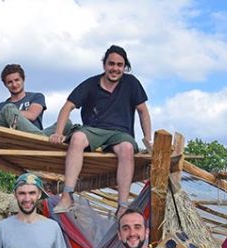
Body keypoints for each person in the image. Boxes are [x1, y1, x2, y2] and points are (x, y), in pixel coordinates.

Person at [49, 45, 152, 216]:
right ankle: (67, 195)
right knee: (77, 138)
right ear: (104, 65)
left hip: (120, 133)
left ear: (124, 67)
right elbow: (67, 107)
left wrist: (148, 139)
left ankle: (123, 205)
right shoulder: (91, 84)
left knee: (127, 149)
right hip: (94, 129)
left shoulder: (131, 83)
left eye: (120, 65)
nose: (115, 68)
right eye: (111, 64)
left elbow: (143, 112)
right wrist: (59, 133)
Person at [0, 64, 72, 136]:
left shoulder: (36, 97)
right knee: (8, 108)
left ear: (23, 79)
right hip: (15, 138)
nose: (14, 84)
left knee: (66, 123)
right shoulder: (1, 106)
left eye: (17, 80)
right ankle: (41, 138)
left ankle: (40, 137)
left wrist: (6, 113)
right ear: (5, 85)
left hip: (34, 134)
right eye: (10, 82)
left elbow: (32, 115)